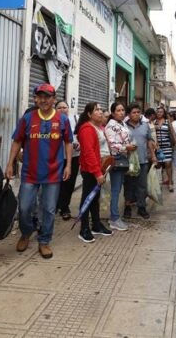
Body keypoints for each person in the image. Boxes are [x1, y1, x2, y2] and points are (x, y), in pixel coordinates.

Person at [6, 84, 73, 259]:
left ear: (53, 99)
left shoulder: (62, 120)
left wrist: (68, 165)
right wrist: (9, 163)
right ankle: (26, 232)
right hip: (30, 172)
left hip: (53, 173)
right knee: (25, 206)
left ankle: (44, 240)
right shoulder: (27, 119)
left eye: (47, 96)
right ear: (35, 98)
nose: (43, 100)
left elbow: (68, 142)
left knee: (49, 209)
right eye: (40, 96)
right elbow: (17, 142)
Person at [74, 102, 110, 243]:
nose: (100, 112)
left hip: (100, 167)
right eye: (97, 110)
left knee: (95, 198)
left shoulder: (99, 127)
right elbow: (88, 153)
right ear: (89, 114)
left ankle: (96, 224)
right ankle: (84, 228)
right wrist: (97, 173)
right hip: (91, 170)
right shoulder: (87, 129)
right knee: (87, 198)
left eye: (101, 109)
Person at [105, 102, 135, 231]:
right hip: (116, 158)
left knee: (118, 189)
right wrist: (126, 147)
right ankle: (114, 218)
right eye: (118, 110)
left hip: (123, 157)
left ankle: (115, 216)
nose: (121, 112)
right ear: (112, 113)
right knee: (115, 190)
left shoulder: (122, 124)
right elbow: (112, 145)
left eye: (123, 110)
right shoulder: (111, 126)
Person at [124, 103, 156, 219]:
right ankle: (127, 206)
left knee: (142, 185)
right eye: (134, 113)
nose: (136, 115)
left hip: (143, 161)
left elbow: (149, 141)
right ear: (128, 114)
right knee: (129, 185)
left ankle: (141, 207)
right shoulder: (123, 126)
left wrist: (153, 155)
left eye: (138, 112)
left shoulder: (145, 126)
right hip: (129, 162)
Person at [54, 100, 79, 220]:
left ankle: (65, 207)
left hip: (73, 157)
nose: (63, 109)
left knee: (69, 182)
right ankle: (56, 205)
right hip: (56, 157)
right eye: (59, 108)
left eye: (65, 107)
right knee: (57, 182)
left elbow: (80, 136)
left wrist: (78, 144)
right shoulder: (52, 121)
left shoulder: (75, 119)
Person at [153, 106, 176, 192]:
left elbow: (172, 132)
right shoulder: (154, 122)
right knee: (158, 165)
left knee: (168, 164)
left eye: (161, 112)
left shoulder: (167, 122)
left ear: (164, 113)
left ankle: (170, 183)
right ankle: (159, 183)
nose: (159, 113)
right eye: (158, 112)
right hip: (157, 147)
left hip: (167, 146)